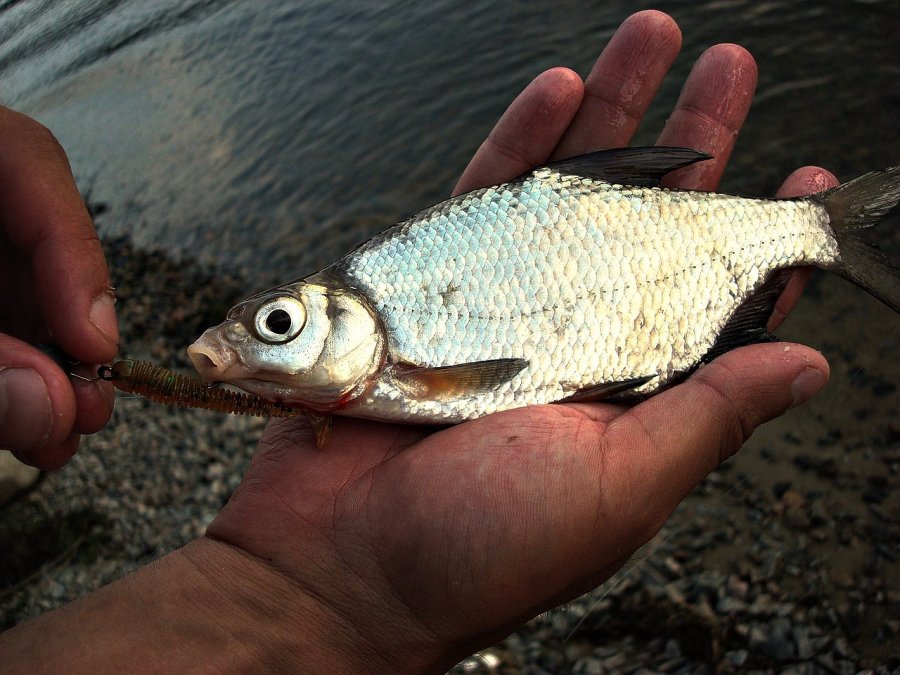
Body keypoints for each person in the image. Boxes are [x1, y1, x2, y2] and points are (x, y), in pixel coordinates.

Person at [0, 10, 837, 673]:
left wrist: (303, 601)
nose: (235, 348)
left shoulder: (395, 347)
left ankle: (823, 228)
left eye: (278, 325)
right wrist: (314, 596)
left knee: (782, 229)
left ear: (344, 318)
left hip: (615, 246)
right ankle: (818, 228)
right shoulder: (374, 368)